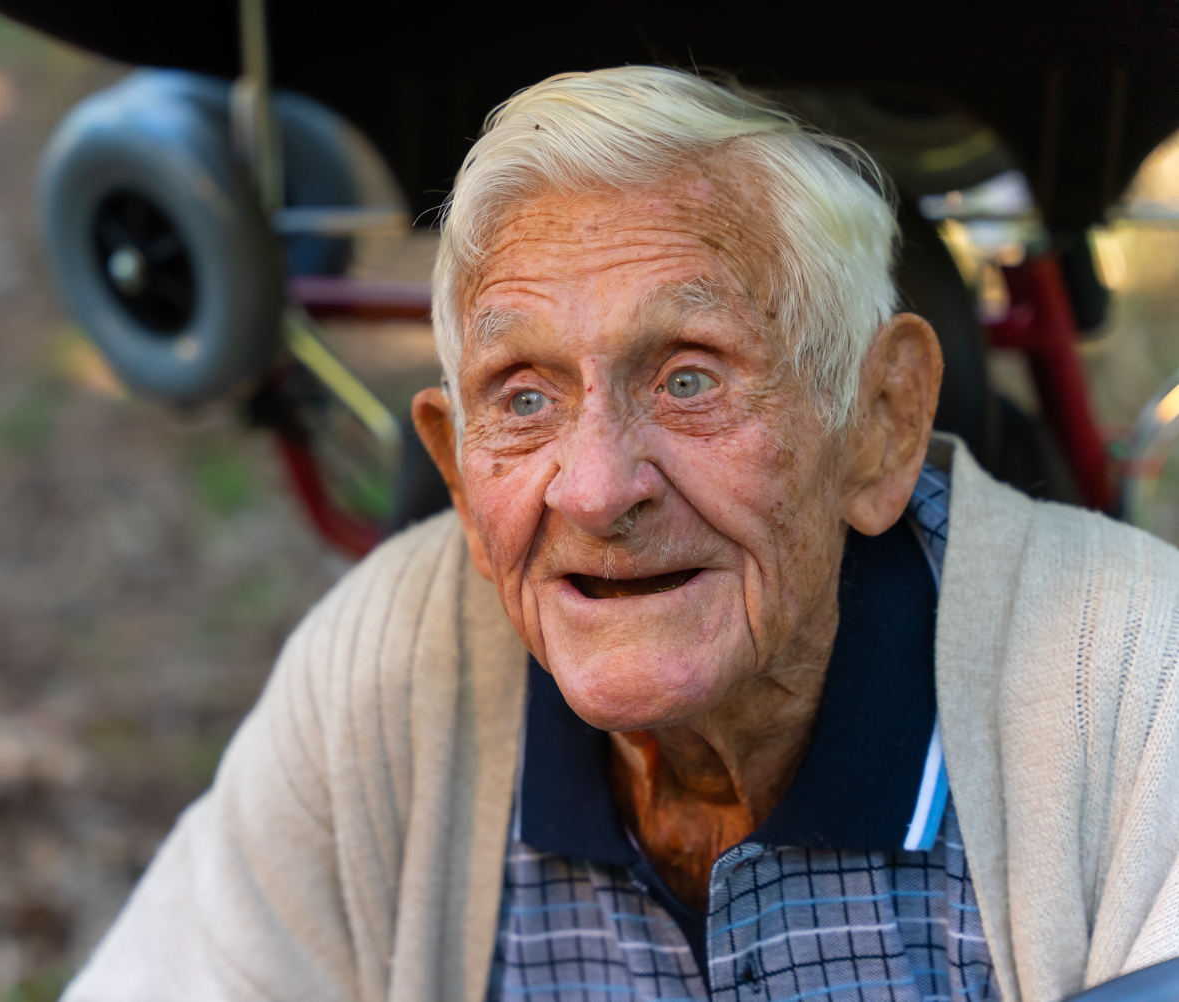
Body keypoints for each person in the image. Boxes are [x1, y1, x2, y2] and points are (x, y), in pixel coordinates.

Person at [63, 66, 1179, 1002]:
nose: (597, 491)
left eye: (690, 376)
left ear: (881, 426)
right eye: (526, 398)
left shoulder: (1125, 678)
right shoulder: (394, 671)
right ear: (457, 471)